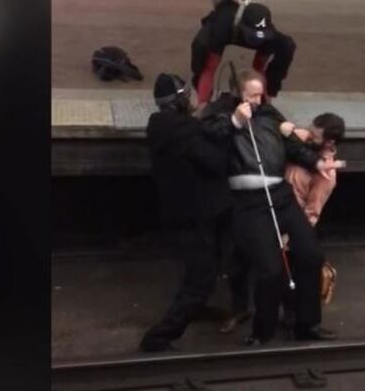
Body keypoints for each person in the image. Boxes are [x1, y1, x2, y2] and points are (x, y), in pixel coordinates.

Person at [201, 69, 341, 345]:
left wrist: (315, 162)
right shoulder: (219, 113)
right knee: (269, 269)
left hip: (280, 193)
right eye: (251, 94)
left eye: (259, 94)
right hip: (249, 201)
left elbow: (291, 145)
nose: (257, 100)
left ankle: (307, 323)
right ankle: (262, 331)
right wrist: (235, 122)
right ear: (236, 93)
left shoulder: (268, 114)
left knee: (311, 255)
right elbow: (208, 135)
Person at [219, 113, 346, 334]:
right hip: (266, 207)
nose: (308, 136)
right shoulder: (306, 145)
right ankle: (252, 313)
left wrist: (290, 235)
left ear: (329, 142)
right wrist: (290, 129)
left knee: (285, 274)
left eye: (314, 135)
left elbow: (313, 210)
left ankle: (291, 320)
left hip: (287, 221)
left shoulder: (326, 174)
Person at [139, 73, 233, 352]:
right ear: (179, 101)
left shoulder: (163, 126)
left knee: (204, 266)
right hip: (196, 214)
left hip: (183, 211)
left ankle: (195, 309)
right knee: (202, 279)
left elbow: (192, 136)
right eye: (188, 95)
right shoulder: (185, 132)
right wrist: (229, 127)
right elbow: (216, 162)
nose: (193, 98)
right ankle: (158, 338)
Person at [191, 1, 296, 106]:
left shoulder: (269, 35)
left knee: (286, 46)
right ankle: (202, 100)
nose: (256, 40)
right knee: (203, 55)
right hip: (228, 29)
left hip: (257, 34)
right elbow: (210, 68)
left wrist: (267, 98)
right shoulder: (222, 24)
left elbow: (259, 67)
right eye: (253, 36)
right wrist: (202, 104)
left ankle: (266, 101)